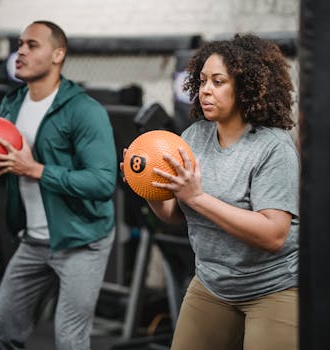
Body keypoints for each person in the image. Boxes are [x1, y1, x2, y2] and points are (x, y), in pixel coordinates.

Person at [123, 34, 299, 350]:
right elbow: (174, 215)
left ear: (246, 88)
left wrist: (198, 198)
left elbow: (274, 234)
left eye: (218, 82)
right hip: (213, 283)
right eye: (202, 80)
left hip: (273, 288)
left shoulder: (273, 148)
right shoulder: (193, 137)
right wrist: (146, 184)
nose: (205, 90)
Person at [0, 20, 117, 350]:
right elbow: (6, 177)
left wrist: (37, 170)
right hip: (33, 241)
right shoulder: (11, 106)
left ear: (58, 54)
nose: (21, 51)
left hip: (82, 241)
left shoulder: (85, 111)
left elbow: (103, 182)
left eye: (32, 45)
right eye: (19, 44)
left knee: (70, 341)